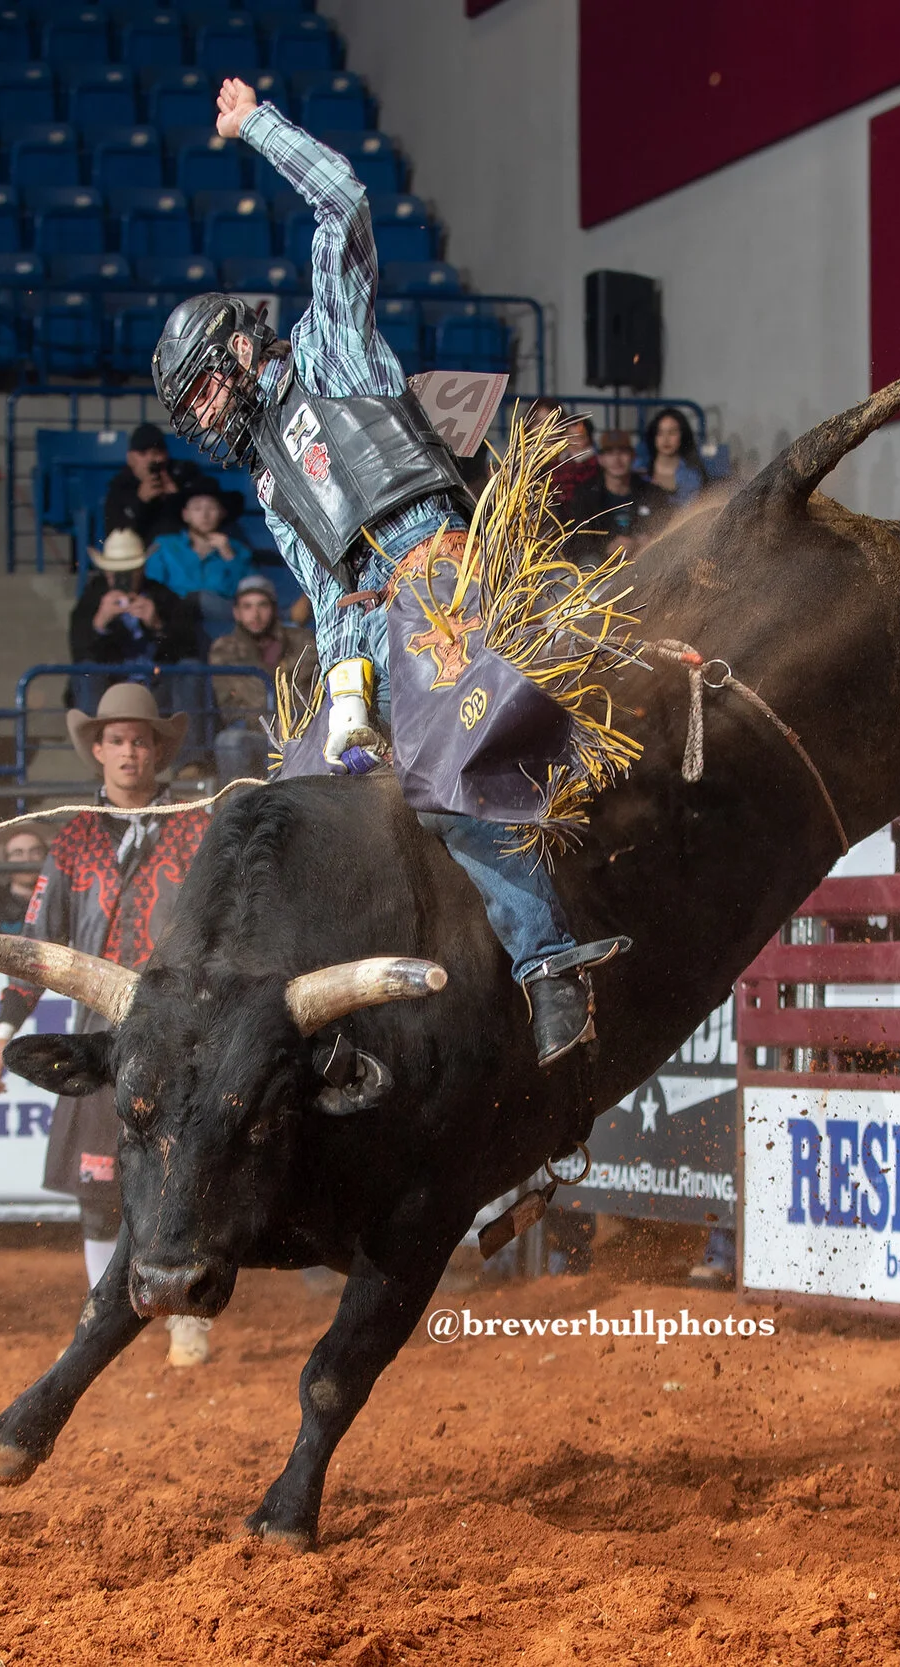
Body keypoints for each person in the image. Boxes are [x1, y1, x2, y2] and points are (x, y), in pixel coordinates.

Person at [153, 79, 629, 1065]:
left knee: (447, 774)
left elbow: (345, 205)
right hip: (368, 631)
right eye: (190, 403)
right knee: (300, 794)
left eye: (204, 383)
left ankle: (551, 969)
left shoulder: (329, 348)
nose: (202, 411)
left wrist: (257, 128)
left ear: (242, 343)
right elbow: (330, 599)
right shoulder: (271, 486)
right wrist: (344, 694)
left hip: (439, 580)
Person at [0, 681, 215, 1366]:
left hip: (183, 1025)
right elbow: (37, 940)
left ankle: (186, 1314)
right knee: (97, 1188)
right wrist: (4, 1030)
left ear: (156, 749)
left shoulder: (198, 823)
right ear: (99, 751)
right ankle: (110, 1315)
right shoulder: (74, 835)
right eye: (118, 740)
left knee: (184, 1174)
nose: (130, 750)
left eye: (141, 739)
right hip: (104, 1028)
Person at [68, 528, 198, 702]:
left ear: (142, 569)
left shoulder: (163, 596)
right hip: (111, 684)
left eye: (129, 571)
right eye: (114, 571)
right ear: (106, 571)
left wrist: (158, 626)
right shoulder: (91, 599)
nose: (122, 577)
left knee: (189, 668)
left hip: (156, 682)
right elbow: (80, 651)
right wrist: (100, 623)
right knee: (87, 670)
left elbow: (187, 648)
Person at [206, 573, 312, 784]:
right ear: (237, 613)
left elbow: (309, 693)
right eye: (247, 607)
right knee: (230, 741)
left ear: (273, 608)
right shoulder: (224, 649)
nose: (255, 614)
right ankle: (239, 808)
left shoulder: (303, 641)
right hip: (253, 731)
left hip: (299, 731)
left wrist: (292, 722)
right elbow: (230, 706)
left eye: (262, 605)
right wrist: (272, 722)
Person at [144, 482, 254, 639]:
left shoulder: (237, 550)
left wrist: (229, 556)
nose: (205, 515)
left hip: (224, 626)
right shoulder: (164, 546)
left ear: (222, 513)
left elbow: (250, 593)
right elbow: (152, 587)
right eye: (197, 508)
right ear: (185, 514)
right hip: (173, 625)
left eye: (211, 508)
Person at [561, 426, 671, 566]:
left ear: (632, 456)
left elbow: (667, 528)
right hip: (600, 569)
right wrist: (607, 547)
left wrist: (640, 542)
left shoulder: (652, 493)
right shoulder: (585, 495)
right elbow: (577, 541)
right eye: (610, 453)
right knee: (589, 562)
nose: (617, 459)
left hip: (643, 564)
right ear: (600, 459)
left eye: (623, 452)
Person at [100, 420, 199, 542]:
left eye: (157, 453)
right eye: (143, 453)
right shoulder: (120, 485)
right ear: (130, 458)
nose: (151, 459)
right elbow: (116, 534)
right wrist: (140, 501)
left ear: (166, 455)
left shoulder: (184, 474)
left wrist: (175, 498)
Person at [642, 406, 706, 505]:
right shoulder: (639, 470)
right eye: (660, 433)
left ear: (683, 435)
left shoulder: (694, 475)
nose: (665, 439)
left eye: (672, 432)